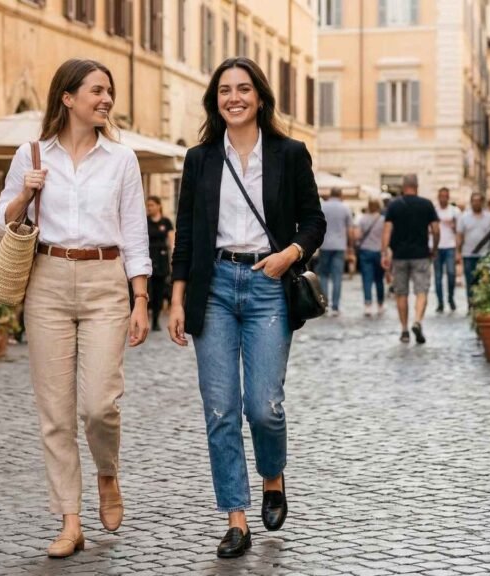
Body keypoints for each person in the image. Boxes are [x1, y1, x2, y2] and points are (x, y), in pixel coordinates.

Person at [0, 58, 151, 559]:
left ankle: (107, 472)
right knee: (55, 412)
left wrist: (140, 297)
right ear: (67, 97)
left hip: (106, 280)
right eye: (96, 91)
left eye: (109, 91)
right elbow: (0, 220)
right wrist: (25, 192)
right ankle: (70, 521)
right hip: (47, 280)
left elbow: (135, 233)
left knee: (99, 405)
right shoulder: (32, 153)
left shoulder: (122, 159)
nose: (106, 99)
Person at [168, 57, 326, 559]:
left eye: (242, 89)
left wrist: (290, 254)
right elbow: (186, 234)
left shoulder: (289, 153)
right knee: (220, 410)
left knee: (263, 406)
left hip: (267, 285)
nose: (233, 98)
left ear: (259, 97)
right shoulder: (200, 158)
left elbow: (314, 222)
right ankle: (236, 518)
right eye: (224, 91)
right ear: (215, 101)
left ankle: (273, 474)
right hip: (213, 285)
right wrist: (176, 298)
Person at [381, 174, 439, 344]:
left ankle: (405, 330)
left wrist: (384, 253)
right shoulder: (427, 204)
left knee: (401, 293)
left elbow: (387, 230)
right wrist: (434, 248)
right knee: (422, 291)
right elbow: (436, 230)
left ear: (403, 186)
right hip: (421, 255)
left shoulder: (394, 205)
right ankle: (417, 321)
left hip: (399, 256)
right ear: (417, 186)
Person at [456, 193, 490, 311]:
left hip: (485, 254)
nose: (476, 203)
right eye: (474, 201)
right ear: (471, 202)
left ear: (482, 202)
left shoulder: (489, 217)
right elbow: (459, 235)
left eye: (478, 201)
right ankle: (471, 304)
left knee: (484, 280)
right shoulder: (464, 217)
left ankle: (482, 304)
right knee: (470, 280)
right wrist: (458, 252)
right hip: (468, 254)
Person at [317, 188, 352, 316]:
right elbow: (350, 229)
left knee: (324, 275)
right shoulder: (345, 208)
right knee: (337, 276)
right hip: (339, 246)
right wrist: (351, 246)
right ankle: (336, 307)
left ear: (330, 194)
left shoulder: (323, 206)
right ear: (340, 195)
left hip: (325, 245)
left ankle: (324, 305)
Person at [146, 196, 174, 330]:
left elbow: (171, 240)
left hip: (161, 258)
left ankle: (156, 320)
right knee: (147, 289)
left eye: (152, 205)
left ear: (159, 206)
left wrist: (174, 257)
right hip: (148, 256)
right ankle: (145, 315)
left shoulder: (166, 222)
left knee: (159, 290)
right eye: (148, 205)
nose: (149, 208)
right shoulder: (145, 221)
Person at [355, 199, 386, 317]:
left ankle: (367, 305)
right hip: (379, 251)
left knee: (366, 279)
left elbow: (357, 235)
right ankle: (380, 305)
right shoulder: (383, 220)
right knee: (379, 279)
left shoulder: (363, 219)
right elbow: (386, 237)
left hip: (365, 251)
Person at [433, 187, 460, 313]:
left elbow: (459, 231)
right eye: (441, 196)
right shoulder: (434, 210)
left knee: (451, 273)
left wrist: (453, 225)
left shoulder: (455, 211)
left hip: (450, 245)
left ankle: (450, 298)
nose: (443, 199)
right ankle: (440, 302)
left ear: (448, 197)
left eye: (445, 196)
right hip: (437, 246)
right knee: (438, 276)